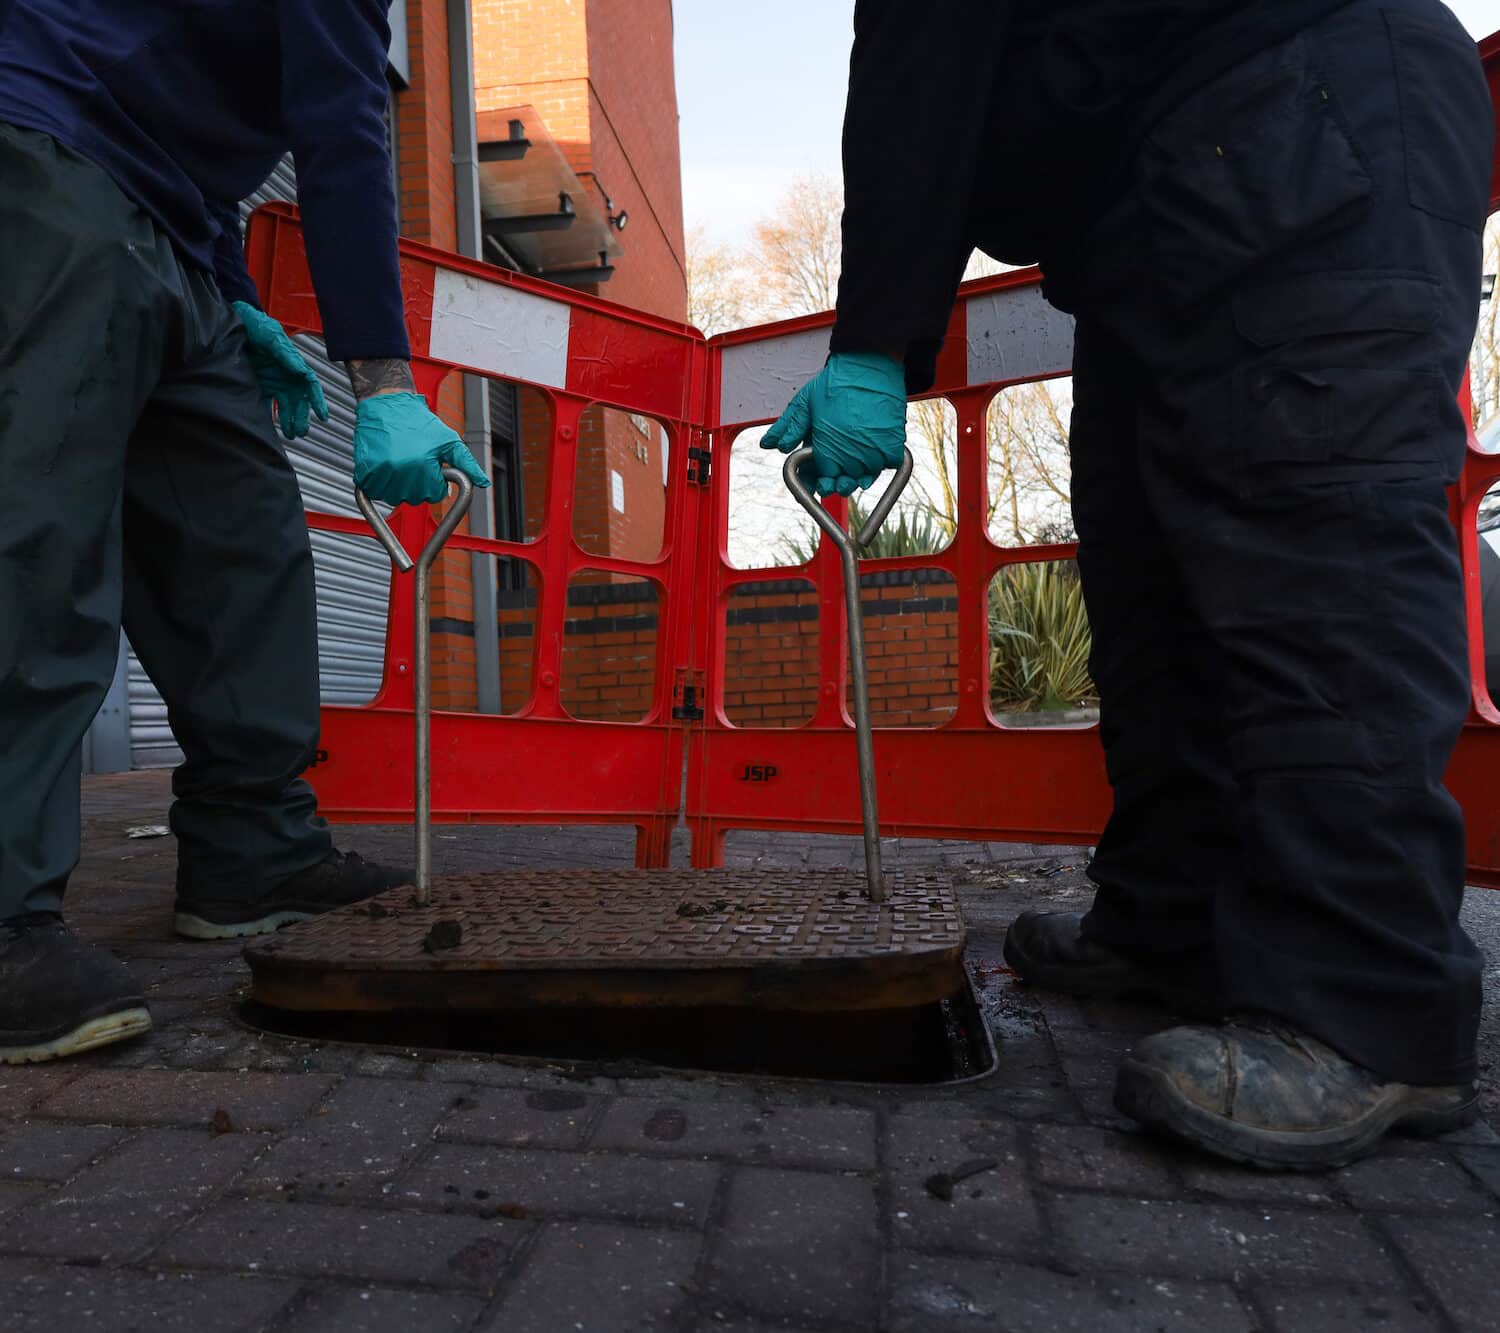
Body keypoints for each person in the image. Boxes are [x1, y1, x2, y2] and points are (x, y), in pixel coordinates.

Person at [765, 0, 1495, 1167]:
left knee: (1310, 551)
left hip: (1300, 107)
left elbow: (926, 50)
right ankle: (1173, 922)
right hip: (1158, 191)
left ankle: (1369, 1004)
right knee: (1147, 570)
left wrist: (873, 342)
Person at [0, 0, 492, 1064]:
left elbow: (204, 117)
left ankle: (250, 849)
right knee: (34, 544)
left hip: (172, 226)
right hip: (49, 157)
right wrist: (384, 378)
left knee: (241, 539)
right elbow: (343, 132)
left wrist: (231, 291)